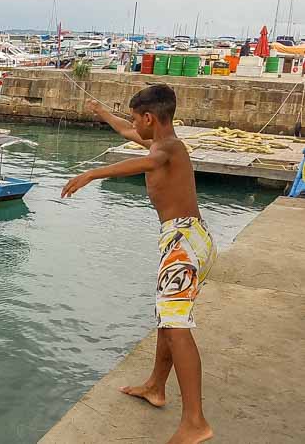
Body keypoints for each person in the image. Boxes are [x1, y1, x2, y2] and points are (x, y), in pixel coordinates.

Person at [62, 85, 217, 444]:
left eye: (136, 118)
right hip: (189, 239)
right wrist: (100, 111)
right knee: (168, 318)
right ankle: (155, 387)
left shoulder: (167, 148)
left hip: (183, 244)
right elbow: (125, 131)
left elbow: (146, 162)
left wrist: (92, 174)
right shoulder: (161, 141)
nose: (132, 125)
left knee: (177, 326)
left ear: (150, 118)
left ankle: (195, 421)